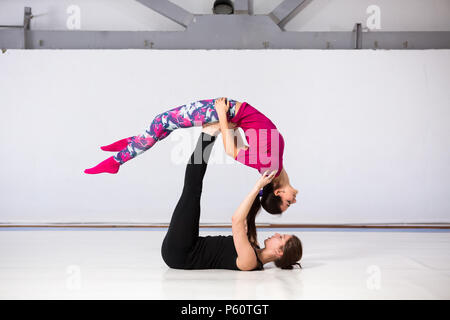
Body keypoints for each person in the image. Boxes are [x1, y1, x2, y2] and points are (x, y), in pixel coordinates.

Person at [84, 97, 298, 213]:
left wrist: (223, 117)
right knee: (163, 127)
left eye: (288, 203)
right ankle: (128, 147)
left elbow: (232, 151)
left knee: (162, 122)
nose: (293, 201)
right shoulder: (273, 166)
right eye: (289, 203)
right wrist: (231, 125)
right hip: (232, 112)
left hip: (224, 110)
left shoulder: (269, 165)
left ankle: (117, 161)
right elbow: (240, 145)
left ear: (278, 193)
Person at [160, 127, 302, 271]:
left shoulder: (250, 261)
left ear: (279, 252)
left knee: (192, 191)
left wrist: (258, 185)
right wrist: (233, 129)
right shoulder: (254, 246)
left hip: (180, 253)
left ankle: (208, 134)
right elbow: (249, 211)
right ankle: (212, 133)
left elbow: (236, 221)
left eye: (281, 238)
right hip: (190, 243)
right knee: (193, 190)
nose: (277, 234)